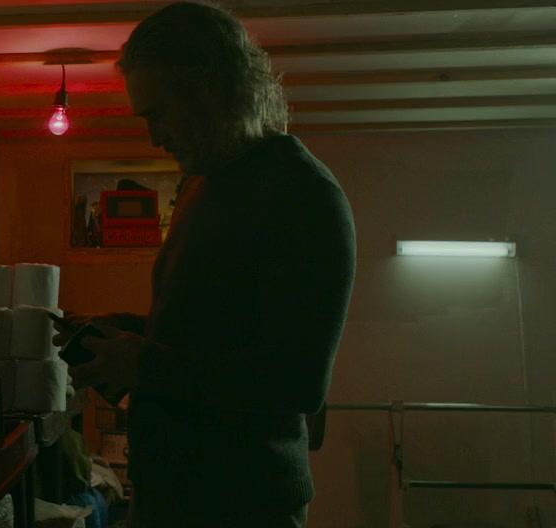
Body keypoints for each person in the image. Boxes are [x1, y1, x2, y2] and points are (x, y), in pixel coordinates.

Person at [54, 2, 357, 527]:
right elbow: (214, 331)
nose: (154, 136)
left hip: (244, 506)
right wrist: (124, 333)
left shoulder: (304, 195)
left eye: (158, 113)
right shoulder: (206, 184)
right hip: (172, 493)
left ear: (212, 89)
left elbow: (298, 382)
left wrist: (143, 363)